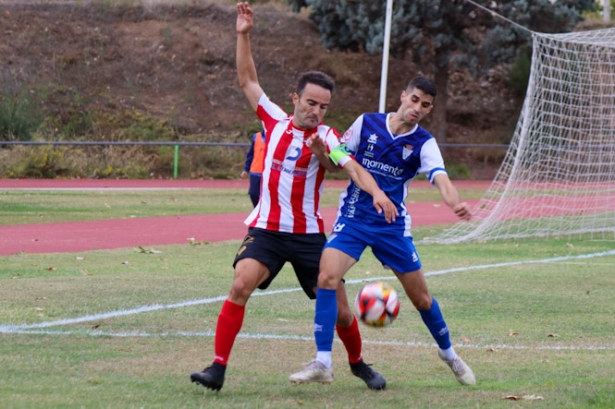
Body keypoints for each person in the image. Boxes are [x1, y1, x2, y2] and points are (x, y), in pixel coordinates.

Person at [190, 2, 398, 392]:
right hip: (267, 229)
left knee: (340, 311)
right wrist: (243, 34)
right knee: (240, 284)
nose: (317, 110)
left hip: (307, 236)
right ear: (296, 98)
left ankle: (357, 363)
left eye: (324, 106)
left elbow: (349, 168)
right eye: (311, 103)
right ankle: (217, 368)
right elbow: (247, 80)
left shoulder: (330, 137)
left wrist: (376, 192)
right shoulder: (273, 119)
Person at [289, 77, 477, 386]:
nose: (417, 108)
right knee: (326, 276)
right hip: (354, 218)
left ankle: (449, 354)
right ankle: (323, 361)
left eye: (425, 105)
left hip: (392, 227)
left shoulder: (423, 142)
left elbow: (440, 177)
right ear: (403, 95)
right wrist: (323, 152)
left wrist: (454, 202)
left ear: (429, 109)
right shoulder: (367, 123)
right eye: (414, 99)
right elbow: (339, 163)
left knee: (422, 300)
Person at [240, 129, 266, 207]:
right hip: (255, 171)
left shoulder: (276, 136)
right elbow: (250, 154)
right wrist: (246, 169)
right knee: (253, 194)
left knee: (267, 195)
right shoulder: (256, 136)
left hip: (269, 173)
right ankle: (257, 210)